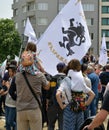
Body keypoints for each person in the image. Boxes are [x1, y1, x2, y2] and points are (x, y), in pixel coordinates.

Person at [56, 59, 95, 130]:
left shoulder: (66, 80)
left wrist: (62, 106)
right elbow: (92, 94)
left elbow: (58, 94)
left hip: (68, 108)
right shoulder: (81, 79)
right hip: (80, 107)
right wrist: (85, 105)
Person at [15, 55, 50, 130]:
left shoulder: (17, 76)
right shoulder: (39, 76)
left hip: (21, 109)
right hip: (34, 109)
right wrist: (43, 71)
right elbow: (47, 86)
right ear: (33, 62)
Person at [46, 62, 66, 130]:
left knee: (51, 124)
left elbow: (49, 92)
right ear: (64, 68)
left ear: (57, 69)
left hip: (52, 104)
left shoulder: (52, 78)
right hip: (64, 104)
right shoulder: (67, 78)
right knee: (62, 125)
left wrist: (47, 103)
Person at [4, 64, 17, 130]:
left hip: (13, 104)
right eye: (8, 71)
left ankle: (16, 126)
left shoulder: (17, 80)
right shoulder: (9, 79)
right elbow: (9, 91)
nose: (9, 73)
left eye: (10, 71)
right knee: (7, 122)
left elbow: (15, 93)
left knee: (10, 121)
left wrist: (8, 87)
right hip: (7, 103)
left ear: (14, 72)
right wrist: (3, 92)